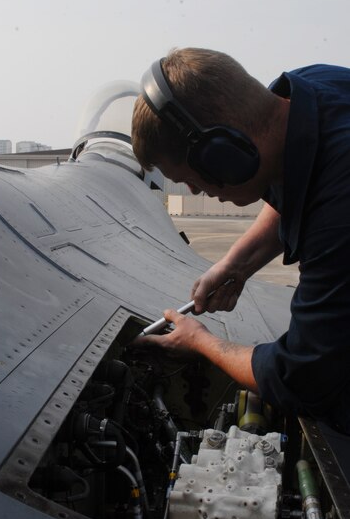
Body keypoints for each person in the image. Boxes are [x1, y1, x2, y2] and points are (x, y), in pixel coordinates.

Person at [131, 47, 350, 435]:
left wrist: (202, 343)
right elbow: (298, 179)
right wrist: (237, 262)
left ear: (224, 154)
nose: (195, 191)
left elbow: (304, 380)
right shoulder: (307, 92)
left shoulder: (340, 209)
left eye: (192, 180)